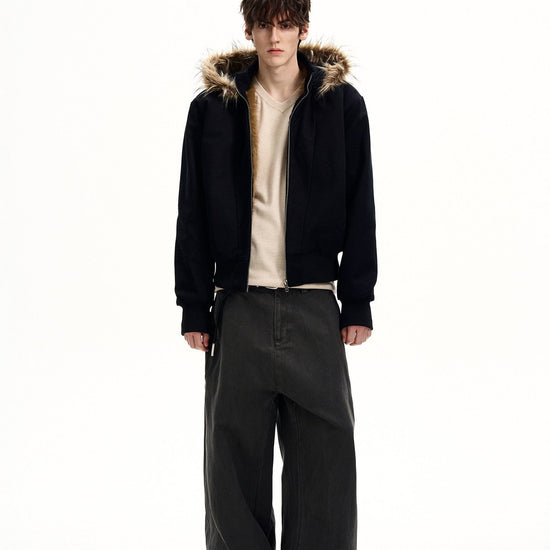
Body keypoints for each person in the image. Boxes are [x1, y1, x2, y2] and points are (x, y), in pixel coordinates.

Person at [174, 1, 377, 548]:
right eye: (264, 24)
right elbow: (192, 211)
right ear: (249, 29)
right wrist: (194, 305)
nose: (274, 36)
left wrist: (358, 298)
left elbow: (361, 203)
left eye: (286, 24)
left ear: (303, 28)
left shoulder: (341, 106)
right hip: (238, 305)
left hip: (313, 305)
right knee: (232, 470)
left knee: (326, 467)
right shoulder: (213, 109)